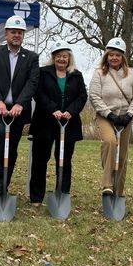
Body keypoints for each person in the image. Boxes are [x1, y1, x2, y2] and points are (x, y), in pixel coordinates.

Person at [0, 15, 40, 195]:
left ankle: (3, 185)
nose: (17, 35)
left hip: (17, 111)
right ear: (6, 33)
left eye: (20, 32)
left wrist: (21, 103)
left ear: (23, 35)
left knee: (12, 147)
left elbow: (32, 82)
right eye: (13, 32)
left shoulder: (31, 57)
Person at [28, 40, 87, 205]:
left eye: (65, 56)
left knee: (64, 160)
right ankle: (36, 197)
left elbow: (82, 96)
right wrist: (53, 109)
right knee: (40, 160)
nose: (62, 59)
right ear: (53, 57)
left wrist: (70, 111)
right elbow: (38, 93)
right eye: (59, 56)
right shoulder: (43, 73)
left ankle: (62, 194)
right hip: (45, 122)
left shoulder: (76, 75)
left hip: (68, 124)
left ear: (69, 58)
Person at [89, 38, 133, 197]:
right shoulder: (99, 73)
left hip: (125, 118)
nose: (114, 58)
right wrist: (109, 114)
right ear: (106, 56)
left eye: (117, 55)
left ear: (123, 57)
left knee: (122, 155)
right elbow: (94, 96)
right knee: (110, 142)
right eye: (111, 55)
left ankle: (118, 192)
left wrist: (130, 114)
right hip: (106, 116)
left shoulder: (132, 74)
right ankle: (107, 185)